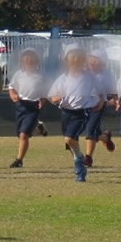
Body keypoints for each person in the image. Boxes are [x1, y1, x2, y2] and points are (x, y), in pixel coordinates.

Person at [48, 44, 101, 182]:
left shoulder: (89, 77)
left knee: (69, 138)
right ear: (67, 59)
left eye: (79, 56)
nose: (76, 59)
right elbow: (52, 96)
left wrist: (100, 102)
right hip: (66, 112)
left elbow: (100, 92)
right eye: (73, 56)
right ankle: (80, 167)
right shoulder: (62, 78)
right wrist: (56, 99)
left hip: (82, 112)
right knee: (70, 142)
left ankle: (79, 159)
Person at [7, 47, 47, 168]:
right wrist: (14, 95)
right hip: (21, 105)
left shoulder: (42, 75)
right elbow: (11, 87)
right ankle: (38, 127)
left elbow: (46, 91)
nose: (29, 60)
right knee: (20, 133)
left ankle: (19, 160)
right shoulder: (18, 75)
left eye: (31, 57)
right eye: (26, 57)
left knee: (23, 135)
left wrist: (43, 100)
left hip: (33, 106)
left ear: (37, 60)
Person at [82, 49, 116, 168]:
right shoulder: (82, 72)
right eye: (91, 59)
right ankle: (105, 137)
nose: (93, 62)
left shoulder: (107, 75)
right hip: (82, 105)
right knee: (90, 131)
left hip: (98, 106)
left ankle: (88, 158)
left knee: (90, 130)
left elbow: (114, 90)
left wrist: (115, 101)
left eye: (97, 60)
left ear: (103, 62)